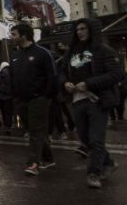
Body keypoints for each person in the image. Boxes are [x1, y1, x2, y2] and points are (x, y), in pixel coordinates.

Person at [59, 19, 122, 188]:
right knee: (86, 139)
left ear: (91, 30)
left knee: (96, 139)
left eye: (83, 29)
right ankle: (108, 162)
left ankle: (94, 173)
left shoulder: (104, 51)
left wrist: (89, 83)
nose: (80, 32)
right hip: (77, 100)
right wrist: (65, 83)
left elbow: (116, 74)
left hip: (98, 100)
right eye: (77, 29)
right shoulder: (71, 52)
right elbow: (62, 73)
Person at [9, 23, 57, 176]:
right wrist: (14, 95)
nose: (12, 37)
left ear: (24, 35)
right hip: (20, 99)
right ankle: (48, 157)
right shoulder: (15, 55)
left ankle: (33, 163)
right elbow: (12, 77)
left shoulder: (42, 53)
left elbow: (51, 76)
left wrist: (45, 95)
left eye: (14, 34)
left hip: (38, 99)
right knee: (32, 130)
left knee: (35, 131)